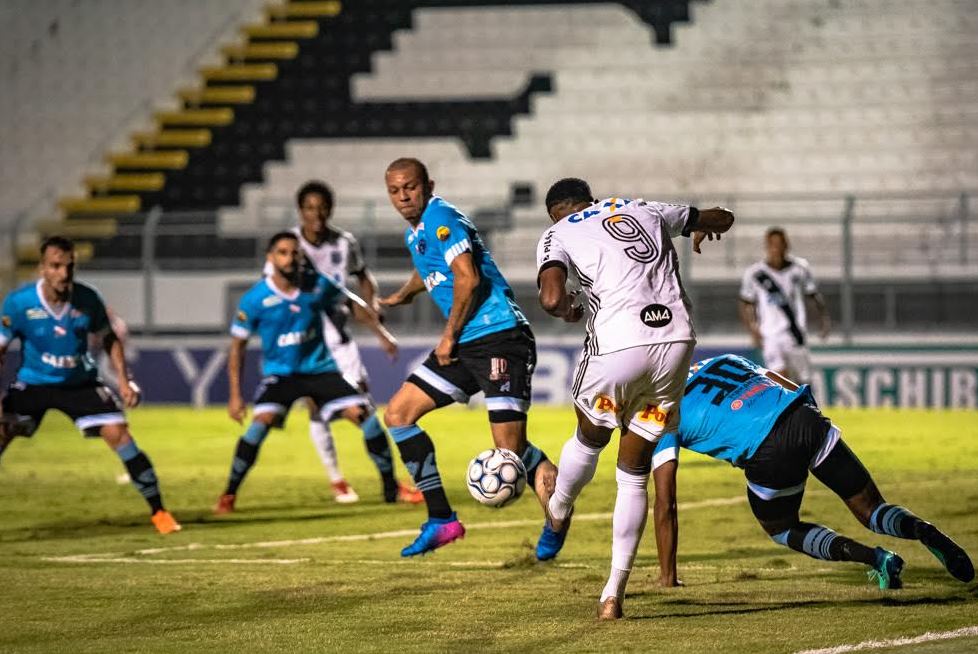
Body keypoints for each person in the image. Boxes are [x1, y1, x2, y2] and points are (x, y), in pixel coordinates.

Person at [536, 178, 734, 619]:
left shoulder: (558, 232)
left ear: (555, 211)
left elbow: (551, 298)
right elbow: (720, 217)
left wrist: (570, 310)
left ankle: (559, 507)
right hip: (675, 345)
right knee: (633, 472)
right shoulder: (645, 207)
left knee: (589, 435)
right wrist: (703, 225)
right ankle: (613, 593)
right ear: (591, 198)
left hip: (618, 349)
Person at [649, 355, 974, 614]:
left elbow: (666, 501)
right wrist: (812, 422)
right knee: (872, 509)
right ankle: (923, 529)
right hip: (805, 416)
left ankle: (876, 559)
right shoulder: (723, 359)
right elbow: (782, 381)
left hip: (767, 448)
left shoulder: (660, 409)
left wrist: (667, 577)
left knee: (781, 528)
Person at [379, 157, 560, 558]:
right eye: (394, 190)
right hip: (467, 343)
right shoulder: (417, 233)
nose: (403, 196)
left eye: (410, 186)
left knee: (510, 452)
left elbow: (468, 277)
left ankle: (557, 516)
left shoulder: (442, 217)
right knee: (398, 415)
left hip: (498, 337)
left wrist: (448, 337)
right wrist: (406, 293)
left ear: (428, 184)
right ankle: (441, 520)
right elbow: (433, 268)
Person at [0, 236, 181, 534]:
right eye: (56, 266)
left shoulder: (88, 299)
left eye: (69, 266)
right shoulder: (19, 304)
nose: (64, 273)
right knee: (3, 431)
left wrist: (124, 380)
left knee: (120, 435)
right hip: (33, 384)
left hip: (80, 383)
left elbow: (109, 338)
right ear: (42, 268)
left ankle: (159, 512)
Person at [215, 232, 393, 513]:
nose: (289, 258)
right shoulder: (255, 300)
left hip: (319, 369)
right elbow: (237, 348)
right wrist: (235, 396)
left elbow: (350, 303)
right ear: (270, 258)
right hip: (281, 375)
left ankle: (391, 489)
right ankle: (229, 493)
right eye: (283, 253)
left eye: (294, 253)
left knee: (367, 419)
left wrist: (378, 326)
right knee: (260, 424)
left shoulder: (317, 285)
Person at [273, 180, 421, 505]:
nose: (317, 213)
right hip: (306, 343)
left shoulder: (343, 242)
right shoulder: (288, 246)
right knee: (323, 408)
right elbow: (273, 290)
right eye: (310, 207)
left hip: (341, 339)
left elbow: (362, 277)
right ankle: (339, 480)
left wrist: (374, 310)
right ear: (301, 211)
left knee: (363, 409)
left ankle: (387, 485)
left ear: (331, 208)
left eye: (322, 206)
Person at [739, 228, 830, 382]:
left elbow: (813, 294)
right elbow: (745, 303)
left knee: (803, 381)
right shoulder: (755, 273)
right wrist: (752, 329)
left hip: (795, 332)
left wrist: (824, 320)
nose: (776, 248)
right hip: (770, 335)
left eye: (780, 244)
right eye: (772, 244)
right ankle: (789, 406)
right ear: (767, 246)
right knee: (780, 379)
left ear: (786, 245)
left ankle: (805, 406)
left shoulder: (800, 268)